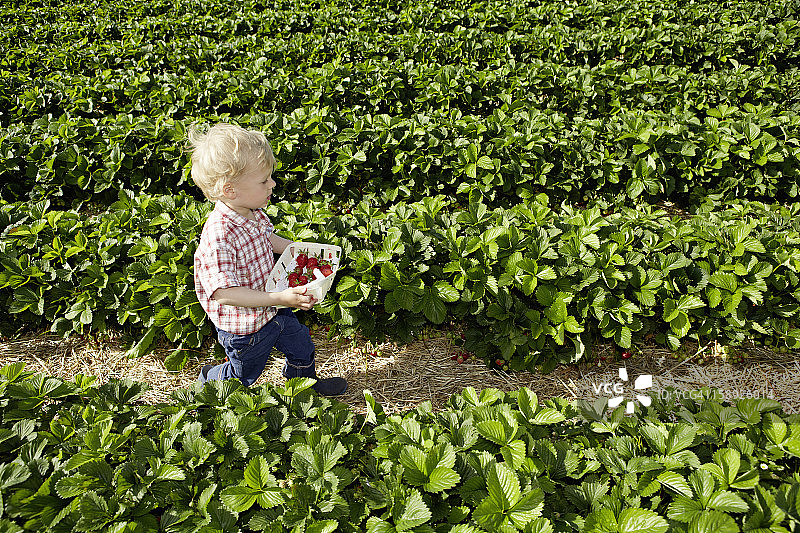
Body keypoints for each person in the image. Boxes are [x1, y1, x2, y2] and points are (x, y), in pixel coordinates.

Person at [188, 122, 347, 396]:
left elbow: (268, 239)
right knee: (242, 374)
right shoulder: (219, 235)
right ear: (230, 190)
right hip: (245, 326)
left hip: (274, 304)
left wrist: (302, 251)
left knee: (302, 346)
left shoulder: (252, 210)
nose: (272, 183)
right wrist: (281, 298)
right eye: (264, 180)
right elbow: (225, 293)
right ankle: (210, 380)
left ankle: (302, 390)